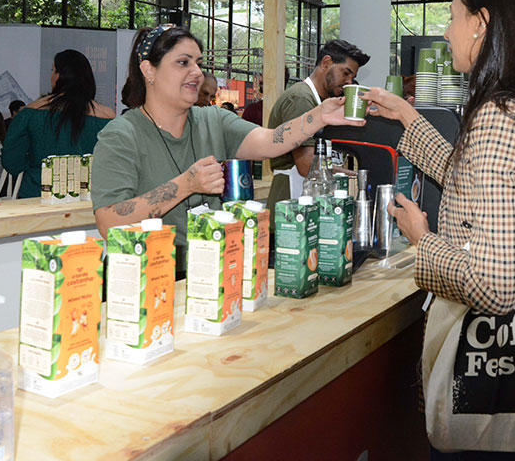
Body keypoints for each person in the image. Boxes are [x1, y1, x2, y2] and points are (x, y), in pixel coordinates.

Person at [363, 0, 515, 461]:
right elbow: (478, 182)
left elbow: (495, 286)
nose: (445, 29)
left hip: (493, 375)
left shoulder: (499, 119)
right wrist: (408, 116)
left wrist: (423, 237)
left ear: (481, 22)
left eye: (452, 14)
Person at [91, 25, 362, 275]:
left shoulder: (213, 119)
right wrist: (186, 184)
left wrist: (319, 116)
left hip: (211, 268)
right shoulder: (121, 135)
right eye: (183, 62)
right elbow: (109, 221)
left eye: (198, 63)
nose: (196, 72)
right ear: (149, 70)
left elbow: (270, 141)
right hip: (146, 276)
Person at [266, 40, 369, 212]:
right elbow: (307, 165)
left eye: (352, 78)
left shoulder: (320, 103)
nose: (349, 82)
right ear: (326, 63)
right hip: (291, 204)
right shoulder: (301, 98)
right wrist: (352, 176)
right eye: (345, 73)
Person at [2, 49, 115, 199]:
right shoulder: (107, 116)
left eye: (53, 70)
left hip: (39, 196)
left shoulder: (31, 112)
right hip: (91, 199)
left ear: (60, 76)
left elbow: (12, 162)